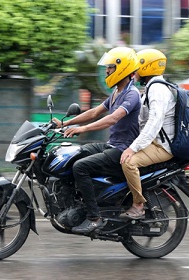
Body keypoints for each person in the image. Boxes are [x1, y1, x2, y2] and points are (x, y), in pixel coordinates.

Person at [52, 47, 141, 233]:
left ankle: (94, 217)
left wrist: (82, 129)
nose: (107, 71)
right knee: (75, 154)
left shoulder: (132, 94)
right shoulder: (117, 93)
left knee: (81, 167)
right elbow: (93, 112)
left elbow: (112, 118)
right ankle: (73, 203)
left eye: (110, 67)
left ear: (122, 68)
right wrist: (64, 123)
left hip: (122, 150)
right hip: (111, 145)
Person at [119, 49, 176, 219]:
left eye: (138, 66)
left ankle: (138, 205)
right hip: (155, 142)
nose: (135, 71)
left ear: (148, 67)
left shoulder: (158, 90)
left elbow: (154, 122)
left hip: (162, 146)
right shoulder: (152, 88)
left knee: (128, 162)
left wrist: (133, 148)